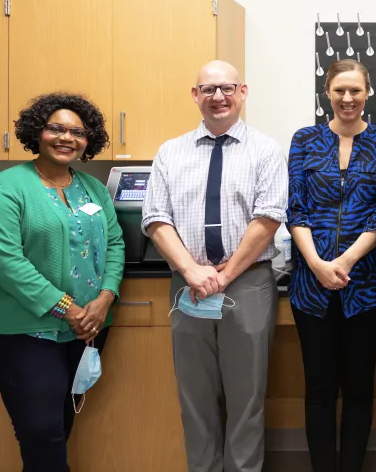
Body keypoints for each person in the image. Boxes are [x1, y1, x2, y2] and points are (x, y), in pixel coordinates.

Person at [142, 60, 288, 472]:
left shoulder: (265, 150)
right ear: (195, 95)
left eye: (226, 88)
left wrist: (224, 275)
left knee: (247, 400)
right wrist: (191, 270)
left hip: (247, 284)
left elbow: (268, 218)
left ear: (242, 92)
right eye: (207, 89)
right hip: (188, 286)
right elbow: (155, 217)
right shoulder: (171, 152)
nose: (218, 97)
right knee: (196, 397)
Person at [0, 92, 125, 472]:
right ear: (36, 132)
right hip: (27, 332)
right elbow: (7, 262)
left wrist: (105, 298)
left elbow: (115, 243)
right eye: (56, 128)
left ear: (88, 139)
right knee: (41, 432)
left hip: (86, 330)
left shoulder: (91, 188)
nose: (66, 138)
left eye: (77, 131)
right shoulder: (7, 187)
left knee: (61, 425)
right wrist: (70, 309)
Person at [287, 59, 376, 472]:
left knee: (358, 388)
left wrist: (348, 258)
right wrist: (317, 264)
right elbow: (296, 209)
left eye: (355, 90)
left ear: (367, 93)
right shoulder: (304, 140)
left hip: (365, 286)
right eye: (340, 90)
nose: (347, 98)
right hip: (309, 287)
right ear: (327, 93)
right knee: (318, 388)